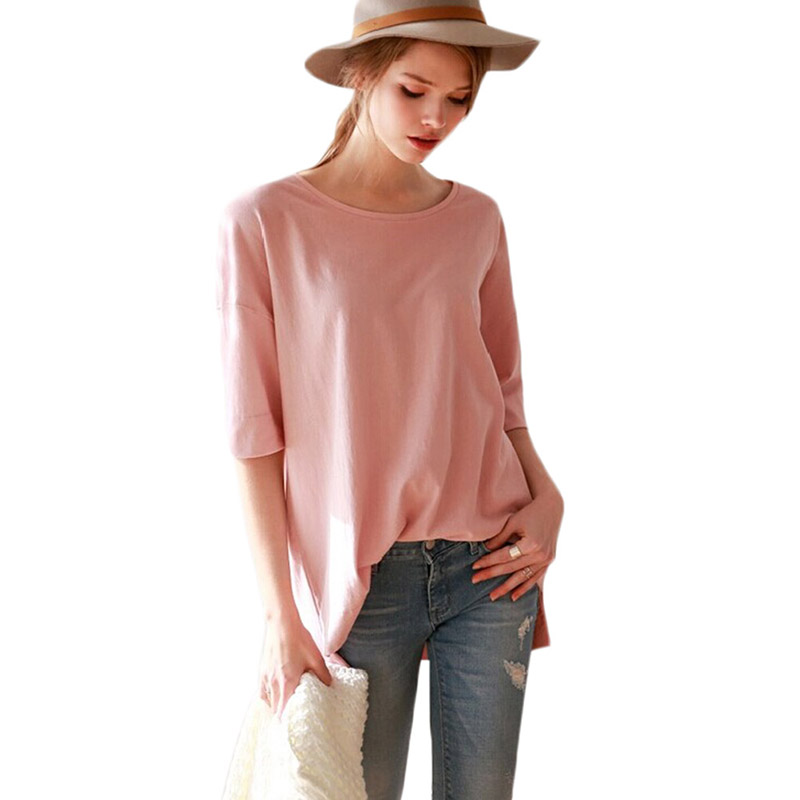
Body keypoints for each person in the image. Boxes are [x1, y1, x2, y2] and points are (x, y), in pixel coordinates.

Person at [215, 2, 564, 798]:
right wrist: (279, 616)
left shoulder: (476, 219)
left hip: (493, 562)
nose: (437, 117)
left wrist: (549, 499)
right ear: (361, 75)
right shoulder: (263, 222)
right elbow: (253, 435)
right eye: (414, 90)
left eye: (459, 98)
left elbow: (502, 395)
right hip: (364, 578)